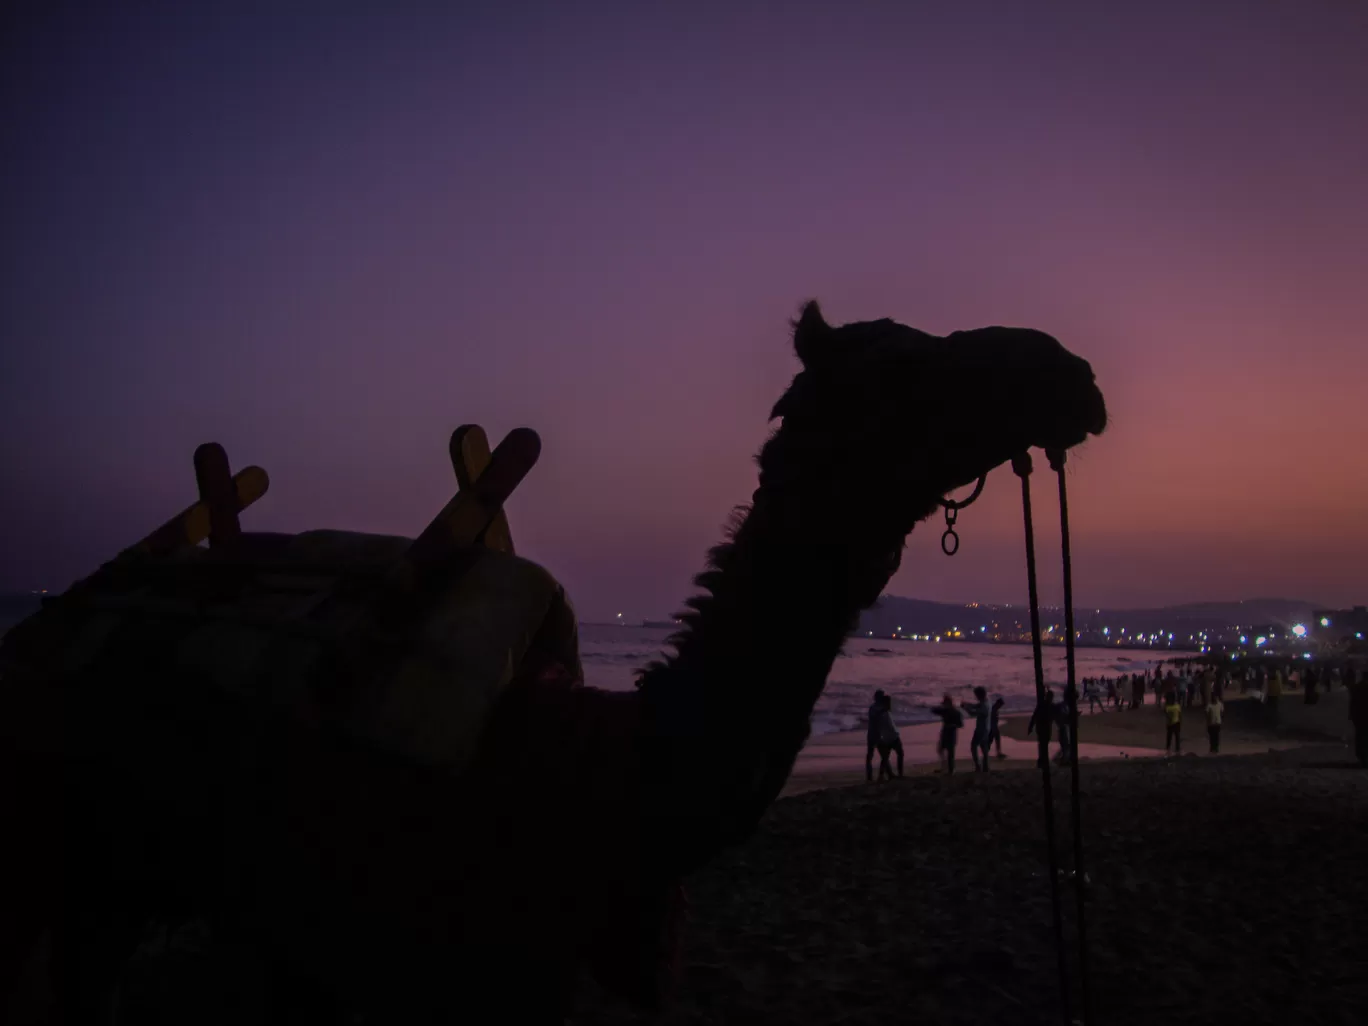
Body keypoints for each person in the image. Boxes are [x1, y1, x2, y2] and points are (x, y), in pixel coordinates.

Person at [927, 693, 964, 774]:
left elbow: (961, 725)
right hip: (945, 733)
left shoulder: (955, 712)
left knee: (949, 752)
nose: (944, 705)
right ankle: (945, 767)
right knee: (941, 750)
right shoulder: (947, 711)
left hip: (951, 734)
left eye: (945, 703)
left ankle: (950, 769)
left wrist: (952, 725)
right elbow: (933, 710)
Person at [963, 686, 993, 772]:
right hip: (986, 728)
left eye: (976, 695)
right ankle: (985, 767)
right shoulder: (987, 702)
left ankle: (978, 766)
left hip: (981, 729)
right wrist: (967, 704)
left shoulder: (984, 706)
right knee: (984, 748)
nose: (975, 697)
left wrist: (965, 708)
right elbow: (976, 705)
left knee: (973, 746)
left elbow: (973, 713)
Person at [877, 693, 904, 780]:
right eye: (888, 703)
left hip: (888, 737)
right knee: (898, 754)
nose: (889, 704)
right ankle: (898, 774)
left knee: (885, 758)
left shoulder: (884, 712)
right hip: (891, 737)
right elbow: (888, 726)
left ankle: (882, 775)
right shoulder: (884, 713)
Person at [1027, 688, 1056, 768]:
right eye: (1050, 697)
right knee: (1044, 743)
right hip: (1043, 727)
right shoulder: (1048, 705)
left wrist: (1030, 727)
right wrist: (1030, 727)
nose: (1051, 698)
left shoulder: (1044, 705)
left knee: (1043, 744)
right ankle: (1042, 760)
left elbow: (1034, 716)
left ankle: (1042, 760)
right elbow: (1034, 716)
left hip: (1042, 727)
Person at [865, 689, 887, 783]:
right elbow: (876, 717)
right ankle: (873, 776)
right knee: (876, 756)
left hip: (874, 734)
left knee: (881, 756)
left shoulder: (875, 707)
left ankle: (878, 776)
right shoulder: (875, 708)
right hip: (875, 735)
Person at [1164, 690, 1183, 754]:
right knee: (1175, 736)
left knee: (1170, 736)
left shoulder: (1168, 707)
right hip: (1176, 723)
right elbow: (1180, 715)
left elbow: (1168, 716)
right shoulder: (1176, 706)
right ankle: (1176, 748)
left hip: (1171, 724)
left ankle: (1169, 748)